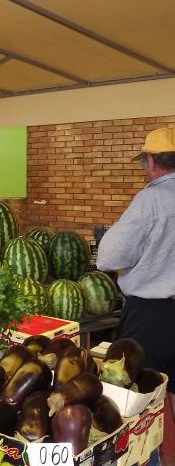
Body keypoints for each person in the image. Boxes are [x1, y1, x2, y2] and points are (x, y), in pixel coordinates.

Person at [97, 127, 175, 466]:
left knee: (146, 403)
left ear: (152, 162)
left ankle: (153, 459)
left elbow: (108, 257)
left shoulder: (150, 200)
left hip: (152, 318)